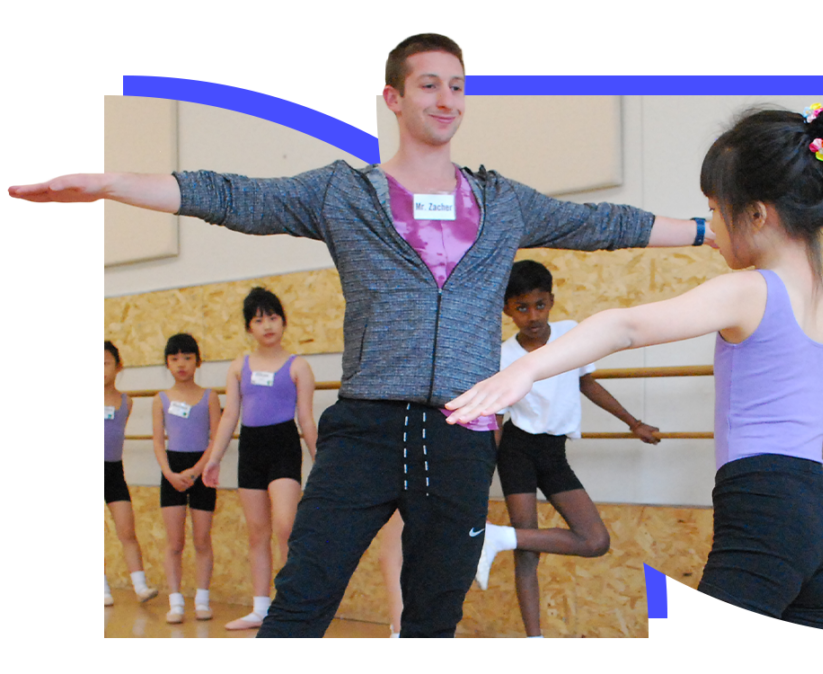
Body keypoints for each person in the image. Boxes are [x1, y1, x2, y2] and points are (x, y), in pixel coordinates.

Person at [17, 33, 711, 638]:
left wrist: (710, 232)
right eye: (429, 84)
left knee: (434, 615)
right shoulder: (342, 195)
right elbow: (229, 194)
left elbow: (606, 225)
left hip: (462, 435)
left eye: (457, 87)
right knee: (302, 600)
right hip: (365, 430)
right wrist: (112, 184)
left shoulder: (504, 203)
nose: (446, 99)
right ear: (394, 98)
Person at [445, 105, 823, 632]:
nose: (711, 228)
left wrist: (524, 370)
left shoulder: (750, 289)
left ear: (758, 214)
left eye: (715, 211)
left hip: (764, 509)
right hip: (821, 514)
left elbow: (626, 327)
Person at [475, 259, 660, 638]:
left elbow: (586, 383)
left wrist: (633, 422)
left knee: (595, 540)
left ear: (552, 301)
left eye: (539, 305)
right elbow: (495, 420)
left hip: (554, 454)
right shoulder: (503, 356)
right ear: (507, 310)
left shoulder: (569, 335)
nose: (532, 316)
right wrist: (480, 471)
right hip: (517, 451)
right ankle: (535, 636)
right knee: (529, 550)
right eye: (521, 308)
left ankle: (495, 537)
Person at [200, 288, 318, 630]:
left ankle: (291, 604)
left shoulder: (299, 366)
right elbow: (228, 417)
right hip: (250, 450)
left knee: (285, 525)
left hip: (283, 446)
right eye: (258, 320)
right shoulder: (240, 367)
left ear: (283, 321)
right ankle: (261, 606)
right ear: (249, 328)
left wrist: (320, 460)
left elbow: (307, 420)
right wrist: (214, 458)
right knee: (257, 531)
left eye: (273, 317)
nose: (267, 325)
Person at [153, 333, 222, 623]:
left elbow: (216, 438)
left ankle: (202, 599)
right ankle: (176, 601)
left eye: (187, 357)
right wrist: (169, 473)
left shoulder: (210, 396)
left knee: (202, 539)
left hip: (201, 470)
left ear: (197, 361)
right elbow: (158, 442)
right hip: (172, 471)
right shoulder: (161, 399)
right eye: (174, 358)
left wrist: (196, 470)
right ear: (167, 363)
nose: (181, 364)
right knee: (174, 541)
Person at [104, 341, 159, 605]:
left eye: (105, 364)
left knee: (127, 529)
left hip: (114, 470)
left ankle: (139, 585)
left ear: (118, 366)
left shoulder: (126, 401)